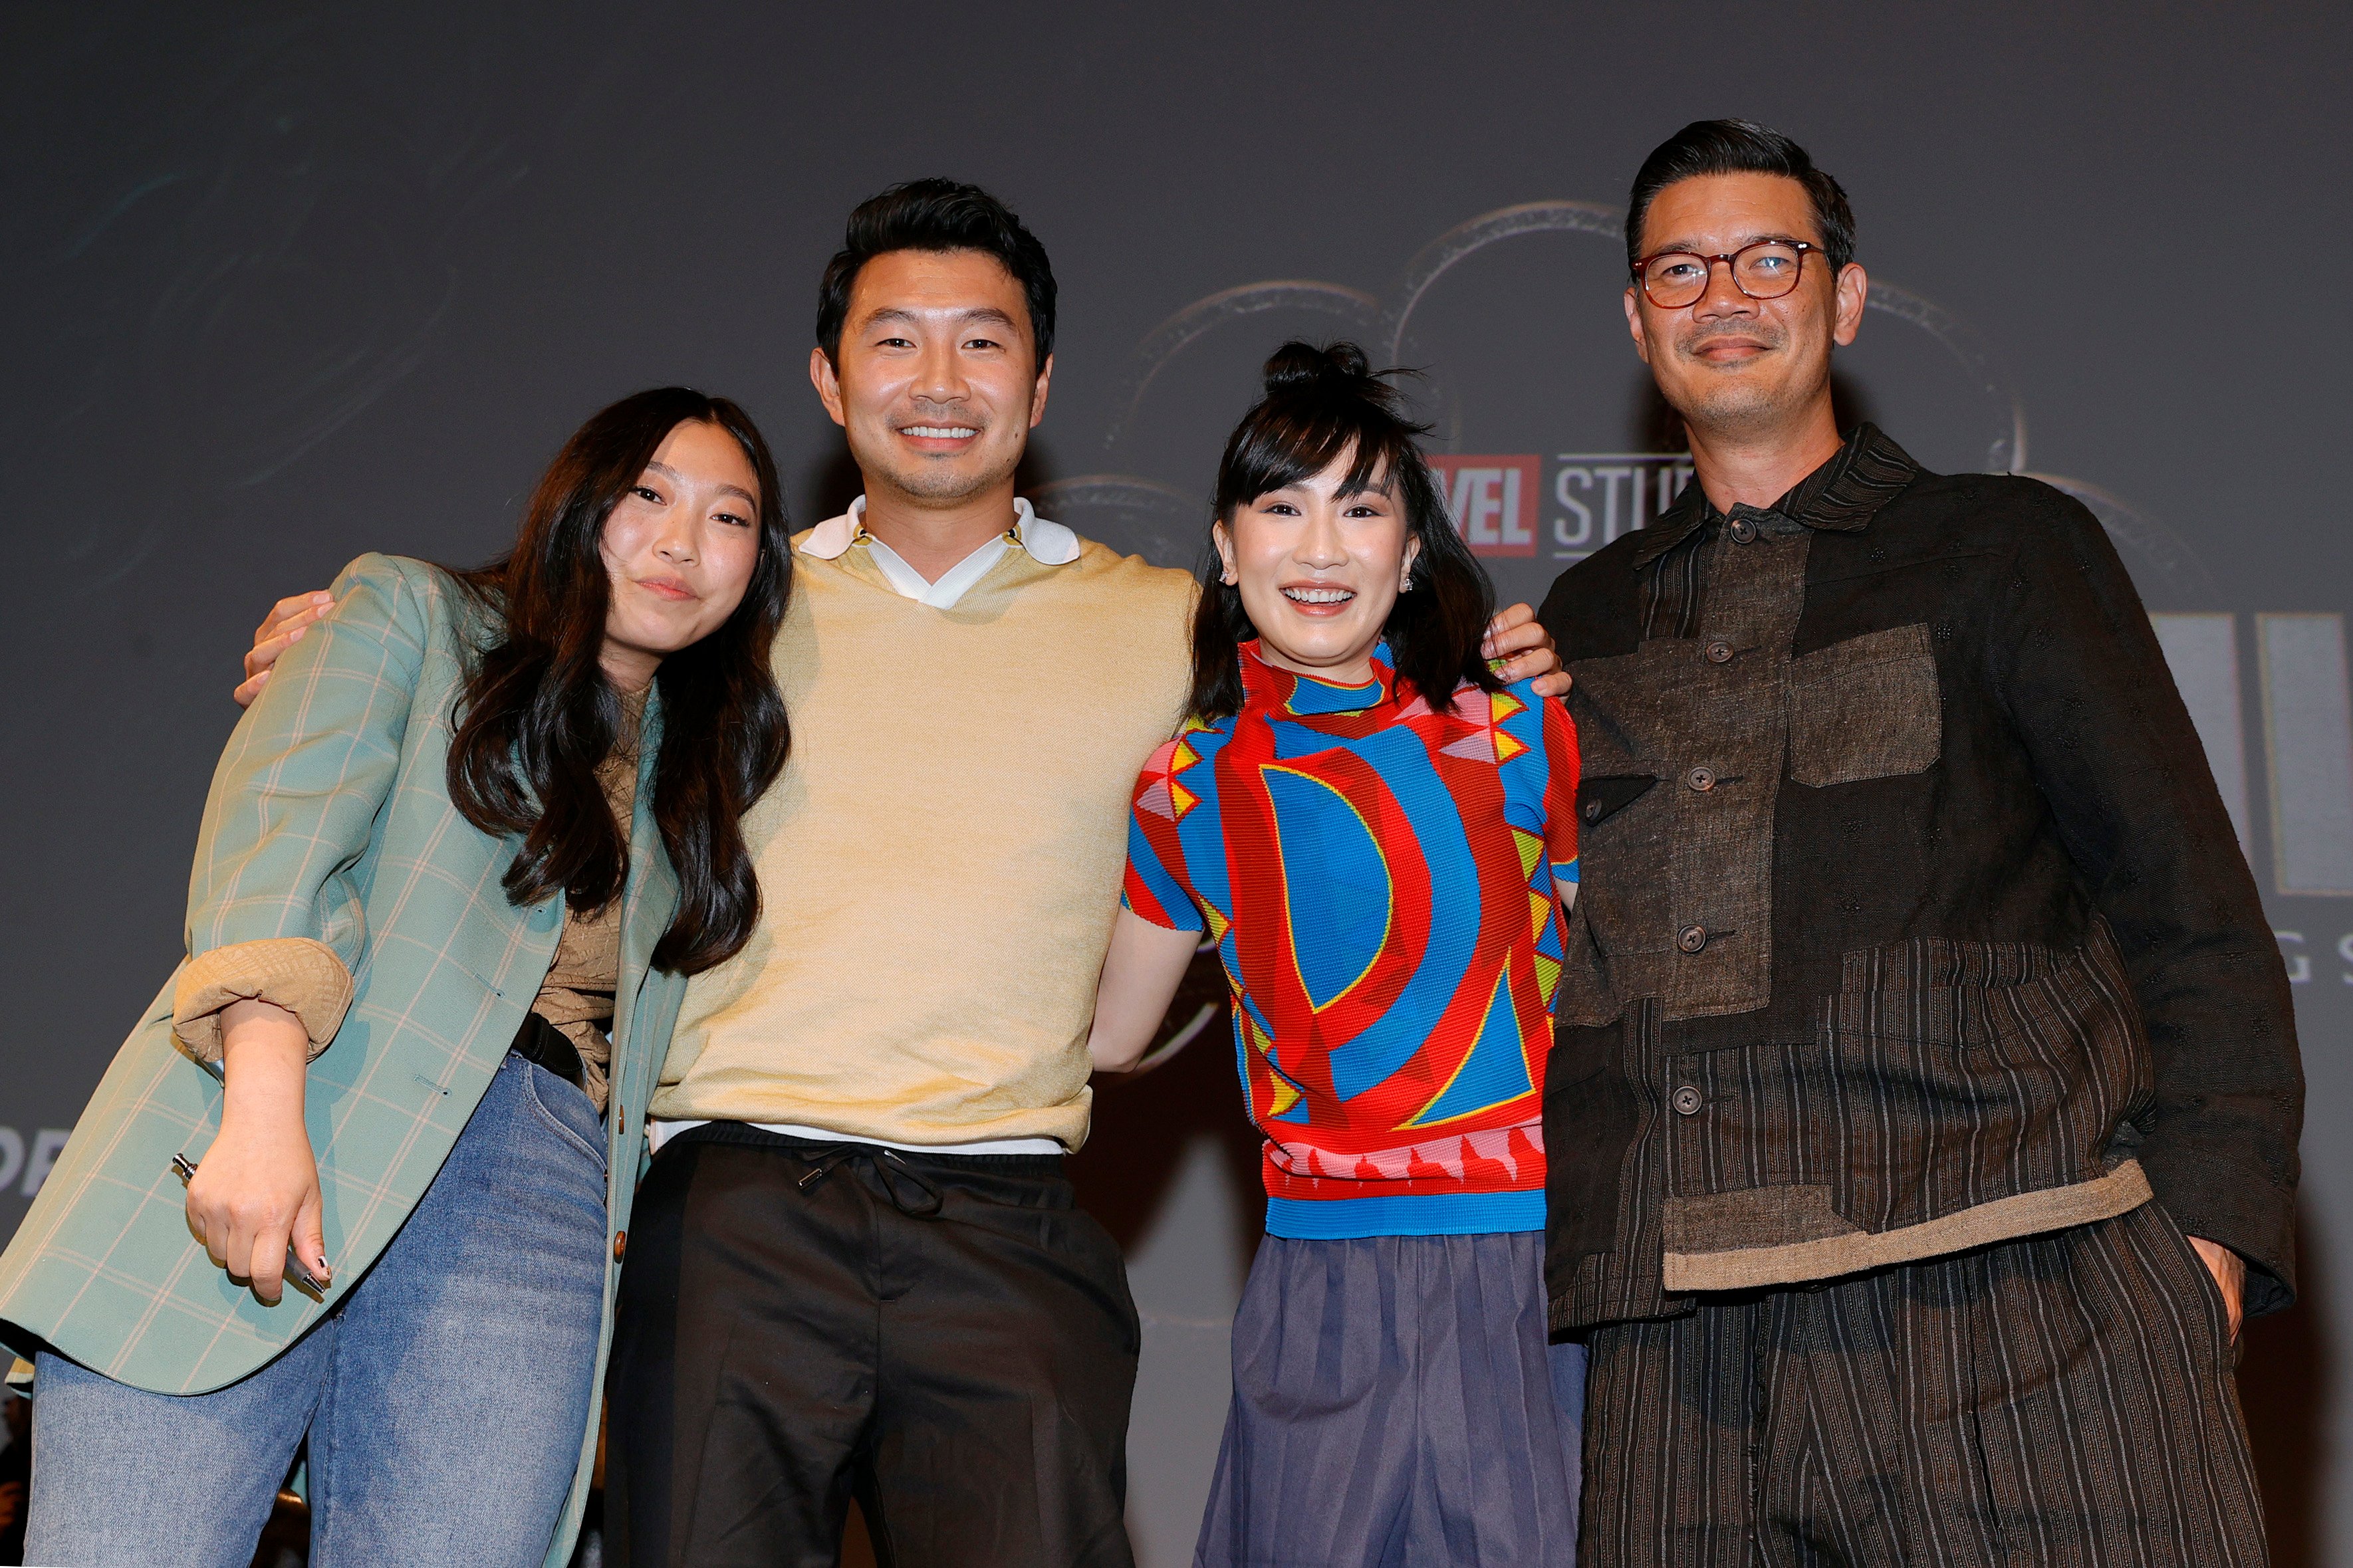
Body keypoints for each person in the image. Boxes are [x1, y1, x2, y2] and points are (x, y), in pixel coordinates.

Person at [239, 179, 1567, 1568]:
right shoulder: (717, 604)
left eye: (983, 343)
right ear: (827, 377)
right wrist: (362, 634)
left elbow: (1355, 697)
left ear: (1043, 381)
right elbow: (520, 645)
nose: (940, 381)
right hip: (736, 1205)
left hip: (1011, 1220)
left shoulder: (1174, 626)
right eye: (895, 341)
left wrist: (1507, 665)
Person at [1534, 120, 2300, 1564]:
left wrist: (2208, 1241)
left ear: (1847, 296)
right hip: (1681, 1351)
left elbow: (2188, 906)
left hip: (2019, 1282)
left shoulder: (2004, 547)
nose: (1727, 297)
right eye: (1682, 269)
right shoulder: (1583, 620)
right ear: (1637, 319)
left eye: (1771, 257)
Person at [0, 387, 795, 1568]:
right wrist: (264, 1108)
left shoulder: (709, 781)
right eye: (649, 495)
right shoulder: (412, 613)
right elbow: (277, 852)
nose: (684, 542)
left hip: (539, 1194)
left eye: (730, 519)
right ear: (581, 501)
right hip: (305, 1098)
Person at [1090, 342, 1585, 1567]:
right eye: (1283, 506)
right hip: (1321, 1274)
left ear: (1412, 551)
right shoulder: (1187, 787)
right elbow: (1107, 1035)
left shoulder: (1520, 732)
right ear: (1224, 541)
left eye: (1361, 509)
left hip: (1529, 1262)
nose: (1321, 548)